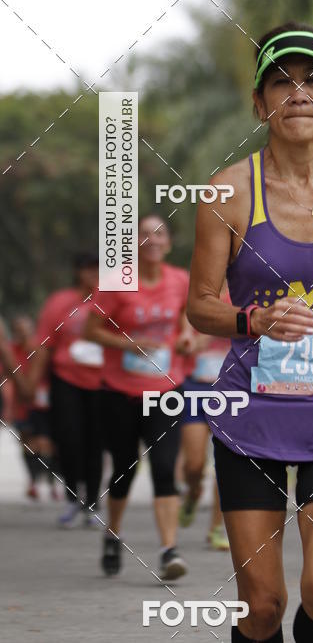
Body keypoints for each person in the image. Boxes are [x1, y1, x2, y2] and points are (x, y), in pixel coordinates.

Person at [187, 22, 313, 643]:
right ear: (259, 101)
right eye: (280, 81)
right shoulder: (228, 190)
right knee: (263, 606)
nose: (297, 93)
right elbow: (199, 307)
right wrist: (254, 319)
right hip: (252, 416)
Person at [84, 215, 194, 581]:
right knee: (124, 468)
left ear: (169, 242)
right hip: (120, 391)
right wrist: (129, 344)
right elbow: (92, 330)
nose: (152, 239)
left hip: (166, 389)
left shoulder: (180, 280)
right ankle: (113, 534)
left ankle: (169, 551)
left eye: (159, 233)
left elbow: (187, 321)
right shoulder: (117, 283)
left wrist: (186, 338)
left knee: (165, 468)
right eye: (144, 234)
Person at [26, 253, 104, 526]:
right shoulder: (60, 302)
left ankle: (92, 503)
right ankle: (73, 498)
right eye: (88, 269)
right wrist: (33, 385)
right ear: (77, 271)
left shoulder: (111, 300)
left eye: (98, 268)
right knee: (68, 440)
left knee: (95, 443)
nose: (93, 274)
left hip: (103, 382)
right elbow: (44, 346)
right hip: (66, 380)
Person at [178, 285, 231, 551]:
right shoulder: (194, 294)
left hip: (231, 389)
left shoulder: (245, 291)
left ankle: (216, 528)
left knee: (226, 463)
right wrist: (199, 339)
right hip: (196, 387)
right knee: (194, 464)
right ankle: (192, 492)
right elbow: (183, 343)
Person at [8, 315, 59, 501]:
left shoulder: (41, 349)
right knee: (27, 444)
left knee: (46, 444)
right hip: (21, 404)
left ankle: (52, 484)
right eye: (18, 331)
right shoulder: (11, 350)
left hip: (42, 405)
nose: (22, 335)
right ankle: (33, 482)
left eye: (25, 331)